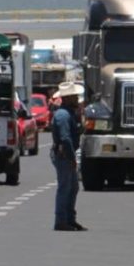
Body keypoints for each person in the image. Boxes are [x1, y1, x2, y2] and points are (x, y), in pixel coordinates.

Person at [51, 82, 86, 231]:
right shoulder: (63, 115)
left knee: (73, 187)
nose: (77, 98)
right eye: (75, 96)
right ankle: (61, 220)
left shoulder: (68, 113)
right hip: (64, 154)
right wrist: (72, 159)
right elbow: (65, 139)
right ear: (68, 98)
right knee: (66, 187)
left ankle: (69, 219)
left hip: (66, 154)